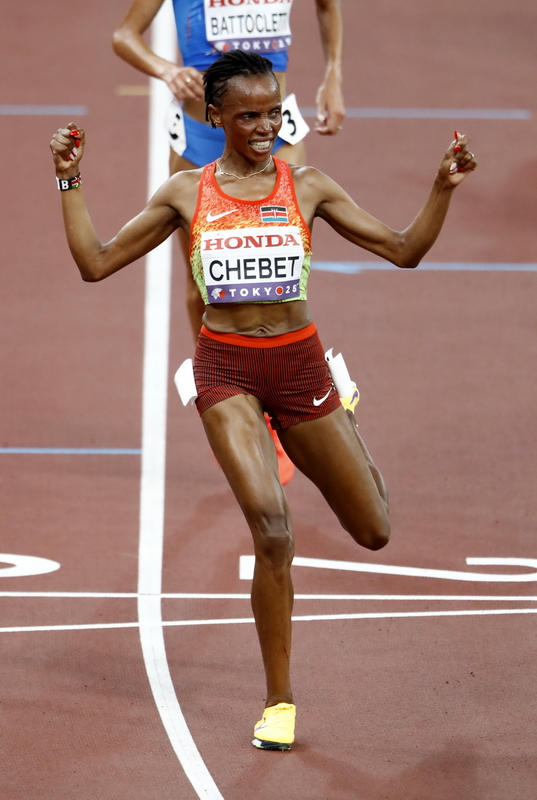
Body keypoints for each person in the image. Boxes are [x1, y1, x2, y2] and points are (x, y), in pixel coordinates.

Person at [50, 50, 476, 751]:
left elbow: (404, 250)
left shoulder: (306, 185)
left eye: (273, 113)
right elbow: (94, 263)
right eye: (247, 115)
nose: (264, 127)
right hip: (225, 371)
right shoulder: (185, 193)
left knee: (373, 530)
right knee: (273, 532)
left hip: (300, 366)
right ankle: (279, 701)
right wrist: (69, 178)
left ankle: (344, 409)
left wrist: (441, 186)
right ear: (213, 116)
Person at [112, 0, 345, 484]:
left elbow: (327, 7)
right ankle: (226, 399)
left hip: (277, 134)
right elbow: (124, 36)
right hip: (199, 137)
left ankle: (283, 401)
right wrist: (166, 70)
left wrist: (333, 74)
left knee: (284, 272)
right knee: (202, 283)